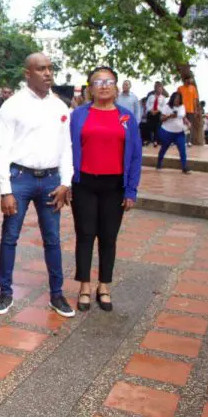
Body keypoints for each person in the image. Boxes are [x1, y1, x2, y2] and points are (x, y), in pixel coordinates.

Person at [0, 53, 75, 318]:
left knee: (52, 239)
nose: (48, 73)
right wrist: (5, 190)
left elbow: (67, 149)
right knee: (10, 237)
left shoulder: (60, 108)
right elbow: (1, 149)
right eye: (41, 69)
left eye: (50, 68)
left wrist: (65, 182)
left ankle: (57, 294)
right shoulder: (12, 106)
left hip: (51, 181)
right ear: (28, 73)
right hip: (20, 179)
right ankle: (5, 292)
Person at [70, 67, 142, 312]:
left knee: (108, 237)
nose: (104, 85)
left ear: (116, 86)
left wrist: (131, 190)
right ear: (90, 87)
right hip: (85, 184)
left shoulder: (126, 118)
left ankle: (104, 285)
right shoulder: (79, 115)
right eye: (98, 81)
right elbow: (68, 147)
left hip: (114, 186)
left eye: (109, 81)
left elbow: (135, 156)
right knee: (85, 234)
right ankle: (84, 286)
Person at [157, 92, 191, 174]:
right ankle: (159, 163)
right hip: (167, 132)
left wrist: (187, 122)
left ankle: (184, 167)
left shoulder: (182, 106)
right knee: (163, 149)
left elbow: (183, 117)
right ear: (172, 98)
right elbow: (161, 118)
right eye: (176, 98)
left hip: (179, 132)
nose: (177, 100)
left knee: (182, 150)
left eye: (179, 99)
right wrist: (169, 116)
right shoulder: (167, 107)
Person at [177, 76, 201, 146]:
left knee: (188, 126)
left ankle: (188, 141)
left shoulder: (193, 88)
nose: (189, 81)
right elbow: (177, 98)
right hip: (181, 110)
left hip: (190, 110)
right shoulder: (180, 88)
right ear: (185, 80)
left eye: (190, 80)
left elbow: (195, 100)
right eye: (188, 80)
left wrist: (196, 109)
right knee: (181, 125)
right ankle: (181, 140)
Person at [144, 82, 166, 146]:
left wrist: (157, 110)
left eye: (161, 88)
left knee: (157, 127)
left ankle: (155, 141)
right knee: (148, 127)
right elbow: (147, 104)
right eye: (158, 88)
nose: (160, 90)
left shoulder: (163, 98)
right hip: (150, 113)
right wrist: (150, 110)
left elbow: (163, 107)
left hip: (158, 113)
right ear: (155, 89)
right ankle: (148, 140)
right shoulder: (151, 96)